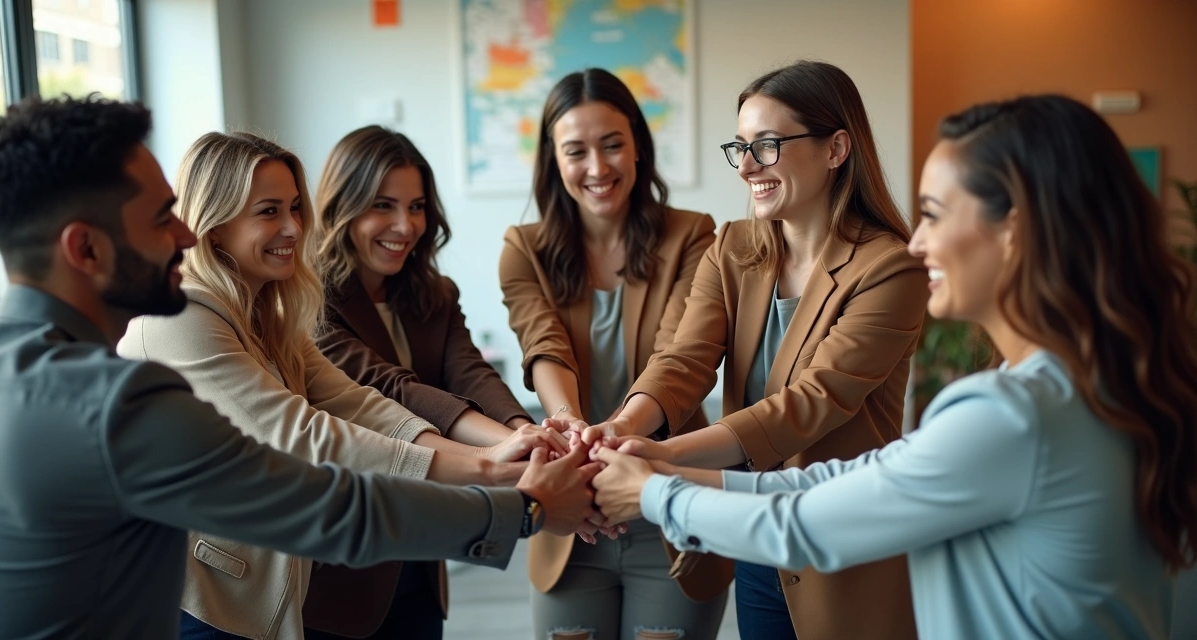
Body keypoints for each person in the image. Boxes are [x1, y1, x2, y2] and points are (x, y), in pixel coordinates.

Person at [0, 96, 598, 639]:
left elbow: (352, 400)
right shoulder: (122, 398)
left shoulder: (3, 364)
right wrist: (523, 504)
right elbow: (323, 502)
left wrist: (500, 459)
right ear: (85, 248)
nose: (185, 236)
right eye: (160, 217)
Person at [591, 94, 1197, 640]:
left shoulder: (1010, 414)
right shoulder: (1094, 389)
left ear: (1015, 227)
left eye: (935, 213)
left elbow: (806, 521)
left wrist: (652, 493)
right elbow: (838, 481)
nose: (916, 242)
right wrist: (659, 463)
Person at [116, 131, 564, 639]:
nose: (292, 227)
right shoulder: (181, 318)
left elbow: (358, 403)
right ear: (215, 228)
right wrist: (493, 473)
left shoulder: (269, 312)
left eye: (293, 208)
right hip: (200, 601)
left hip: (264, 585)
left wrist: (508, 448)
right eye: (268, 212)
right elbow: (304, 434)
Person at [577, 60, 927, 639]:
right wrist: (621, 431)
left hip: (839, 540)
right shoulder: (734, 247)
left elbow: (811, 404)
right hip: (749, 531)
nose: (745, 167)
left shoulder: (891, 267)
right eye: (738, 147)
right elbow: (684, 359)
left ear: (837, 148)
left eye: (765, 146)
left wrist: (659, 460)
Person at [304, 126, 560, 639]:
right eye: (383, 205)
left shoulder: (433, 293)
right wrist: (512, 446)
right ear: (342, 206)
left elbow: (470, 371)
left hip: (423, 554)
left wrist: (524, 431)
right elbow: (389, 389)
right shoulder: (310, 300)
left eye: (417, 206)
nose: (405, 225)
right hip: (346, 563)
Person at [499, 68, 727, 640]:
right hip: (570, 510)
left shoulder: (693, 235)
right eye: (576, 151)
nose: (598, 169)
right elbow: (542, 343)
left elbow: (681, 354)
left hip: (666, 504)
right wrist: (575, 429)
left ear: (638, 147)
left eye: (612, 145)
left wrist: (618, 434)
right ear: (554, 161)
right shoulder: (522, 250)